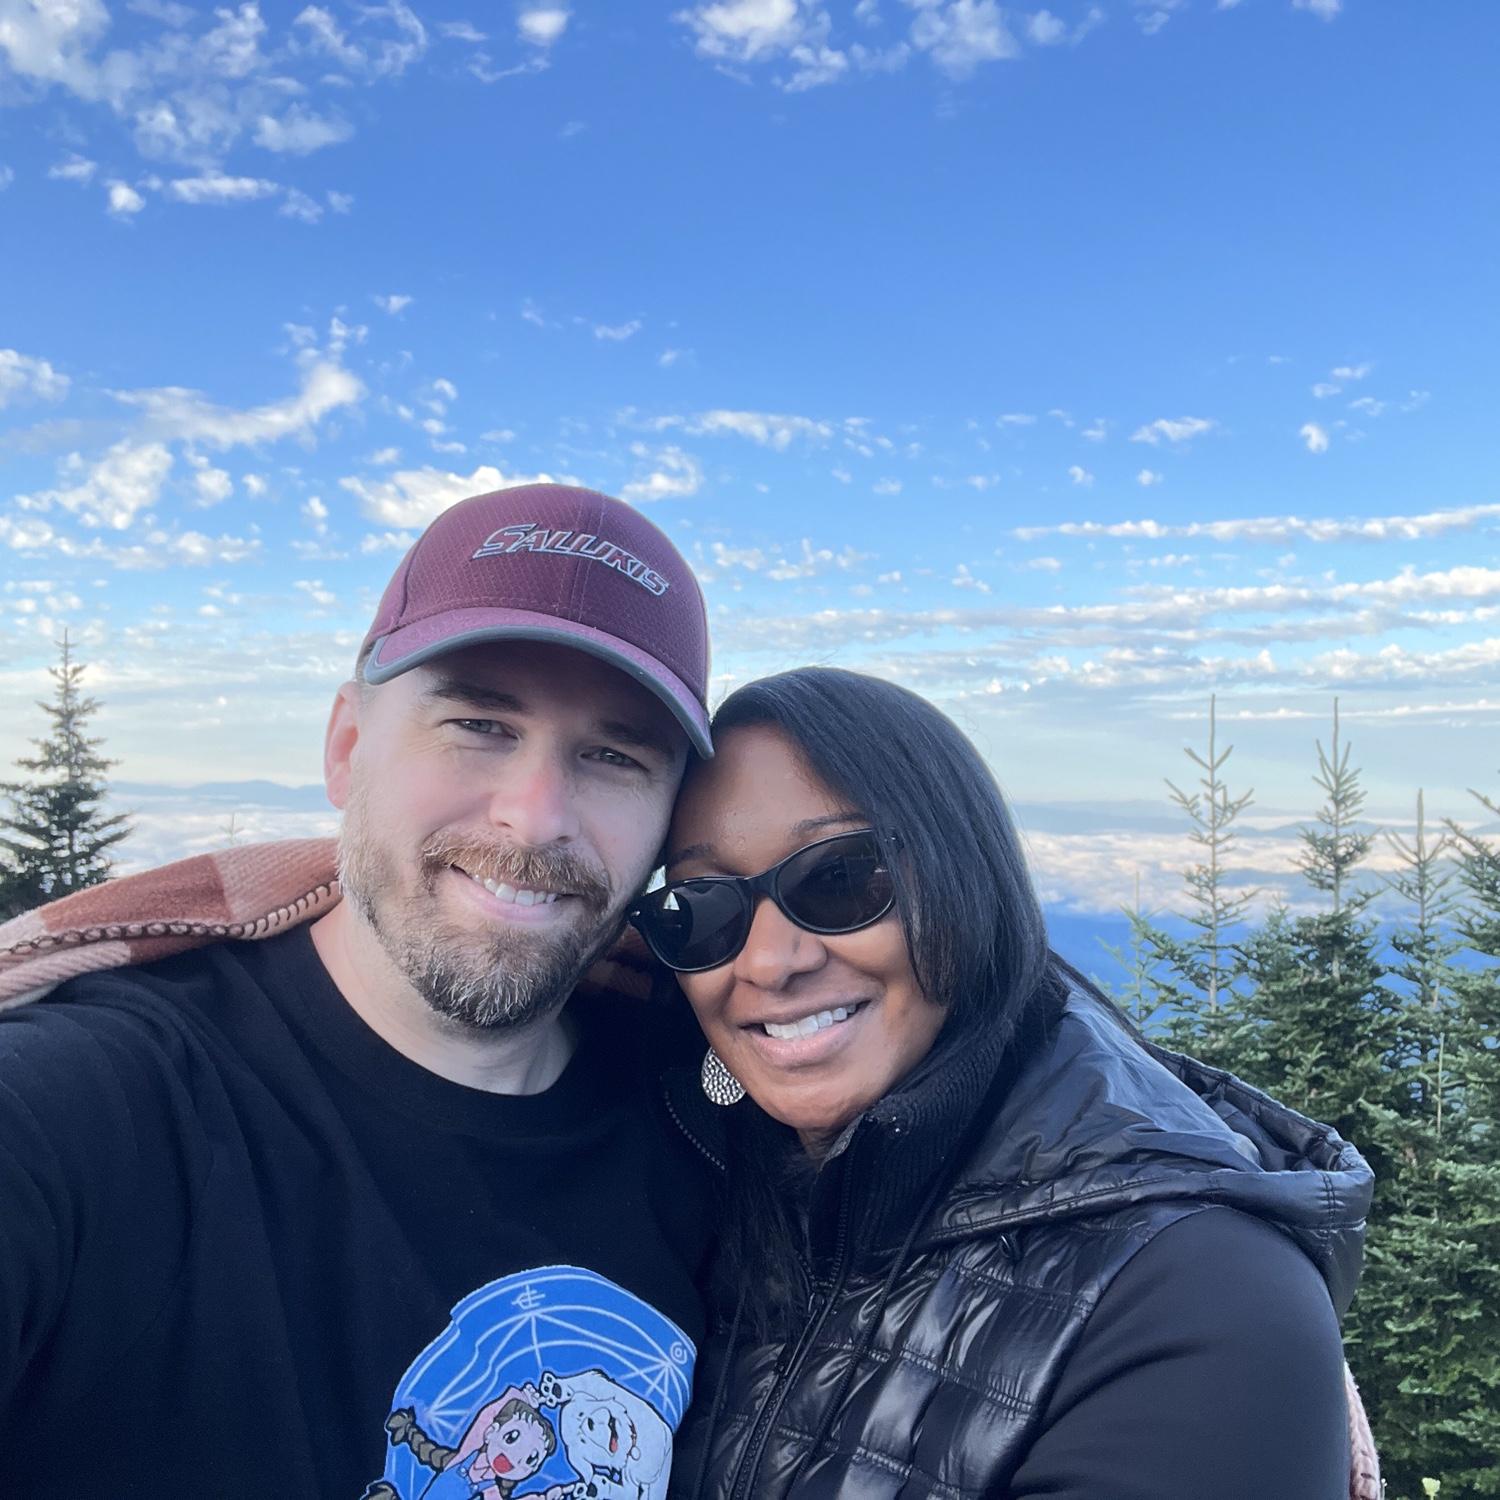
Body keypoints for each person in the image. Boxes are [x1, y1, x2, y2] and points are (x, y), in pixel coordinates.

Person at [0, 484, 717, 1499]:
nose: (534, 816)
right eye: (478, 722)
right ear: (346, 747)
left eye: (613, 756)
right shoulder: (91, 1110)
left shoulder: (709, 1131)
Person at [628, 667, 1376, 1500]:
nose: (767, 961)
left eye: (839, 879)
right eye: (698, 911)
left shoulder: (1204, 1296)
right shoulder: (713, 1172)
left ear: (966, 874)